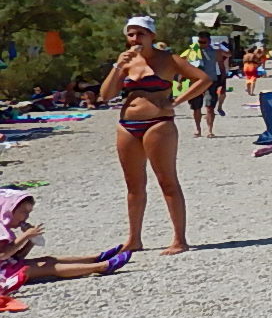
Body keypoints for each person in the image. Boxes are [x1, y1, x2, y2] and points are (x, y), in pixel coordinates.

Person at [100, 16, 210, 255]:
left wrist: (178, 100)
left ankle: (179, 239)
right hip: (127, 124)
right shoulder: (126, 62)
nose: (135, 39)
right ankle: (134, 239)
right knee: (133, 185)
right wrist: (118, 66)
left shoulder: (168, 60)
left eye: (140, 33)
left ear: (152, 35)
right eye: (131, 34)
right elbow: (106, 95)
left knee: (167, 181)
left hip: (158, 123)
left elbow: (203, 79)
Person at [0, 189, 132, 286]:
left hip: (7, 265)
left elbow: (16, 256)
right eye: (24, 212)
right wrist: (25, 236)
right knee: (48, 267)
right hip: (3, 273)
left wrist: (31, 241)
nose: (26, 217)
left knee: (48, 259)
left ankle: (95, 258)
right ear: (8, 210)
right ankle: (100, 266)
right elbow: (3, 254)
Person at [188, 33, 228, 138]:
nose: (201, 44)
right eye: (199, 42)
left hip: (211, 81)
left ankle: (210, 130)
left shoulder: (216, 52)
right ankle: (198, 129)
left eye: (203, 42)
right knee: (196, 107)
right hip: (196, 82)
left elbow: (222, 67)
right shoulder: (193, 52)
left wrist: (223, 83)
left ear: (209, 41)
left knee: (210, 107)